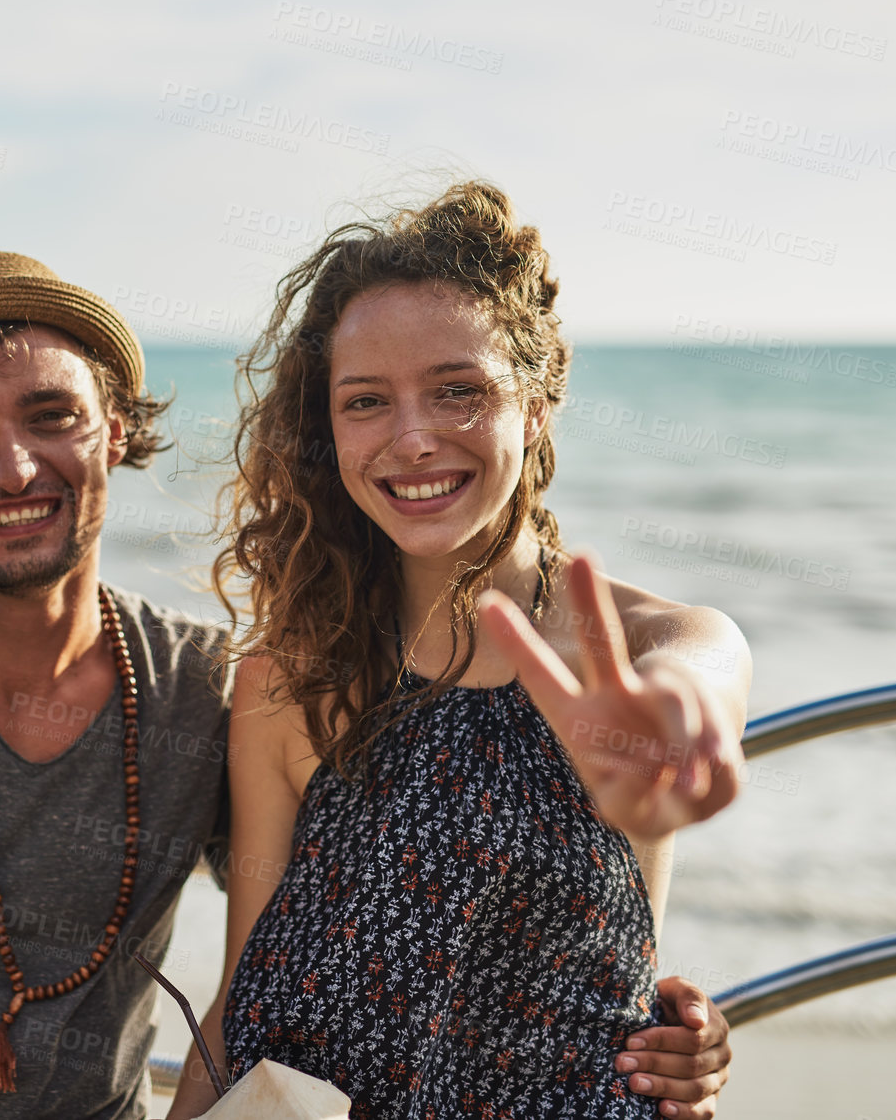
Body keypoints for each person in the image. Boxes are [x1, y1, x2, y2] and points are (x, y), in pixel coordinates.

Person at [0, 249, 734, 1118]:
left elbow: (334, 924)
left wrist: (653, 1003)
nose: (12, 466)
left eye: (52, 415)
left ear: (116, 435)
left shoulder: (204, 687)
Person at [169, 182, 749, 1120]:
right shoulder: (288, 678)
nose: (411, 438)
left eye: (457, 390)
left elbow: (691, 698)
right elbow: (243, 998)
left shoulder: (650, 648)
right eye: (365, 401)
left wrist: (674, 735)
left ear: (539, 398)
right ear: (328, 428)